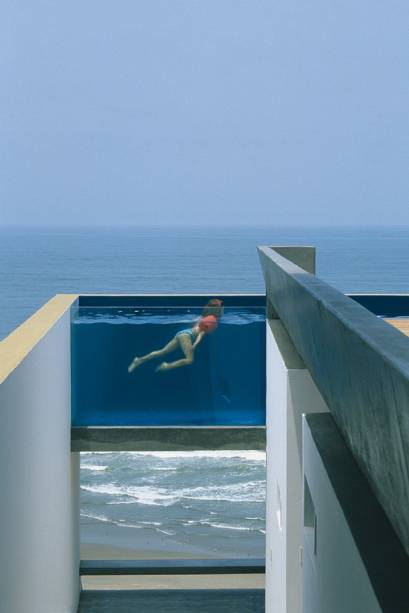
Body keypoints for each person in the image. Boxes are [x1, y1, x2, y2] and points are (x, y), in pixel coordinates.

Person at [128, 299, 224, 373]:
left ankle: (139, 360)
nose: (222, 308)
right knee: (189, 360)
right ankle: (166, 366)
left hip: (183, 333)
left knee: (162, 352)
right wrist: (194, 345)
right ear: (217, 309)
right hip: (187, 336)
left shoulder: (204, 317)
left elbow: (197, 328)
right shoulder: (212, 319)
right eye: (221, 306)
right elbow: (201, 333)